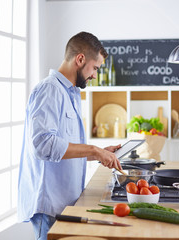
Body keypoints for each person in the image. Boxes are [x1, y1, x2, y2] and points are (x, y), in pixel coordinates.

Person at [17, 32, 123, 240]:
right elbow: (43, 145)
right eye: (95, 68)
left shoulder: (71, 93)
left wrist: (98, 153)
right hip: (49, 207)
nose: (94, 75)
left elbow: (64, 147)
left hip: (64, 204)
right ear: (80, 59)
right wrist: (93, 149)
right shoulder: (50, 90)